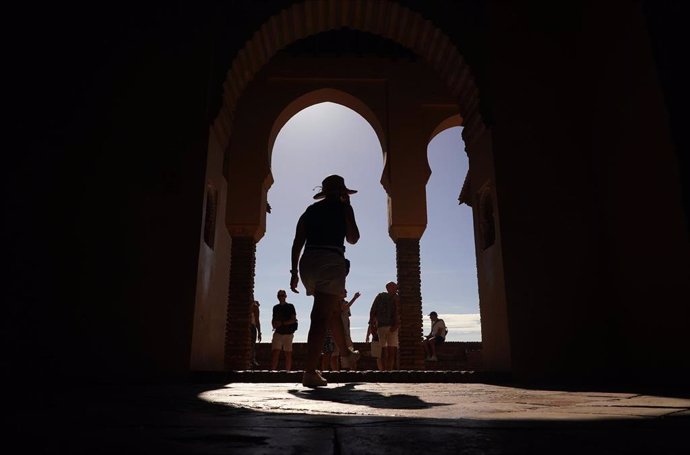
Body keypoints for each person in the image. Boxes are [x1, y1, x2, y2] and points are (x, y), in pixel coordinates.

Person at [290, 174, 361, 387]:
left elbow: (297, 242)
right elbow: (353, 238)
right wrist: (348, 210)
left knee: (331, 310)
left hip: (307, 264)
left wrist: (294, 272)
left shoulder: (310, 211)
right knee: (320, 316)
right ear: (342, 192)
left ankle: (347, 354)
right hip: (330, 261)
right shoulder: (343, 209)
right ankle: (310, 372)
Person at [369, 281, 400, 371]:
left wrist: (397, 325)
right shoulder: (380, 297)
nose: (396, 289)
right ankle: (384, 371)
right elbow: (372, 311)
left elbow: (399, 312)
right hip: (382, 326)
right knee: (383, 351)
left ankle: (389, 371)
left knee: (391, 351)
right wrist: (372, 326)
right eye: (394, 287)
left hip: (392, 327)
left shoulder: (397, 298)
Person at [271, 289, 297, 371]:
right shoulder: (275, 308)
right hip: (278, 333)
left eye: (282, 295)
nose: (281, 297)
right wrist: (274, 324)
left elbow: (293, 320)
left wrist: (282, 323)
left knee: (288, 354)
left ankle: (288, 372)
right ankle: (273, 373)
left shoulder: (290, 306)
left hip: (288, 334)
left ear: (285, 296)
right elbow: (273, 319)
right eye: (279, 295)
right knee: (275, 353)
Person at [338, 289, 361, 370]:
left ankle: (352, 370)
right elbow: (343, 308)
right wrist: (354, 298)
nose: (346, 293)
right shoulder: (336, 303)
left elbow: (347, 317)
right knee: (337, 354)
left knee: (351, 351)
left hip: (346, 331)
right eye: (344, 291)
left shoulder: (346, 303)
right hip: (338, 331)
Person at [250, 300, 262, 367]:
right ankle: (252, 360)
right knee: (252, 345)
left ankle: (252, 360)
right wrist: (259, 332)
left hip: (251, 327)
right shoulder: (255, 306)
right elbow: (257, 321)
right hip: (252, 327)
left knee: (252, 345)